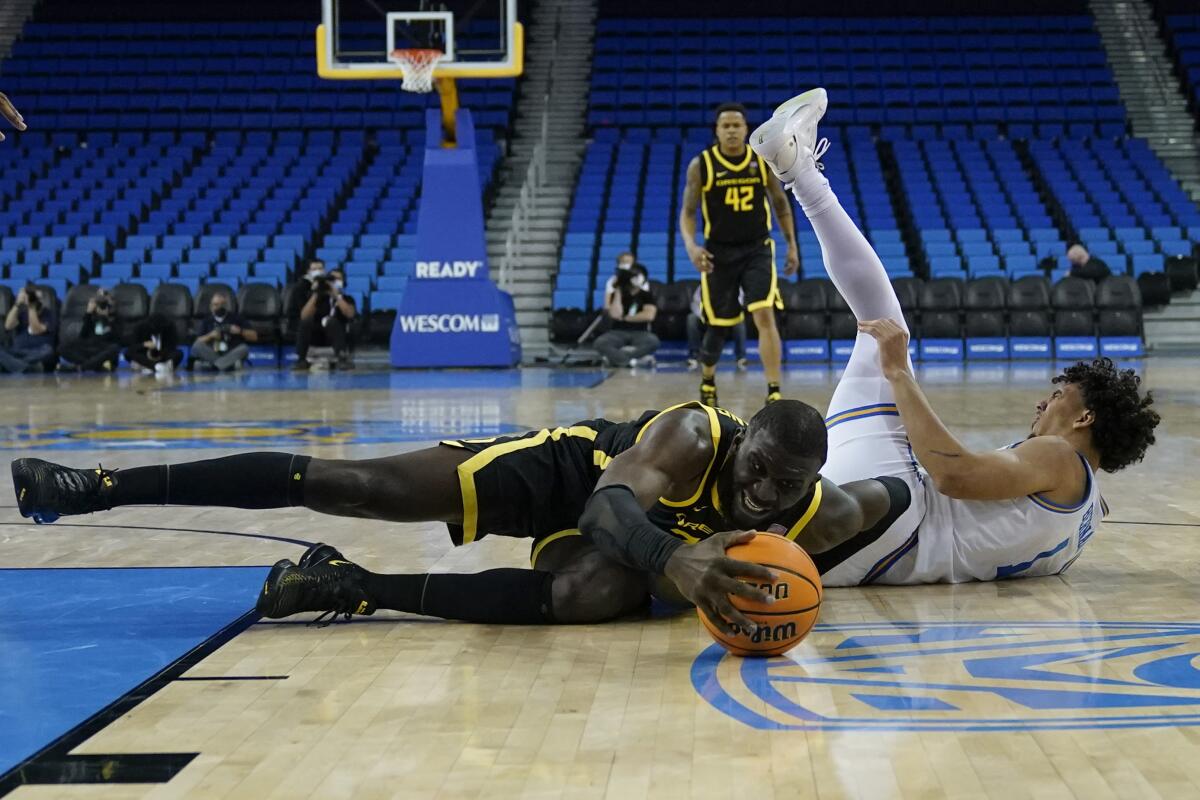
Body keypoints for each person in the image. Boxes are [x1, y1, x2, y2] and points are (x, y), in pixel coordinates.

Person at [12, 399, 908, 633]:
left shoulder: (810, 511)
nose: (765, 493)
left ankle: (351, 586)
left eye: (785, 486)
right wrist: (678, 568)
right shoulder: (691, 433)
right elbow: (604, 508)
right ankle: (96, 486)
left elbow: (894, 497)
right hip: (571, 474)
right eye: (758, 470)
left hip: (601, 538)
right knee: (355, 486)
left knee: (591, 597)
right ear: (743, 437)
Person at [748, 87, 1159, 585]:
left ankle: (799, 172)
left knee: (885, 327)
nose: (1042, 404)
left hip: (899, 515)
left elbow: (953, 475)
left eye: (1058, 396)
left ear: (1085, 417)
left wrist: (901, 376)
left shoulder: (1060, 457)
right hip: (874, 558)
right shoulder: (1087, 516)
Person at [679, 102, 800, 407]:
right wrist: (692, 247)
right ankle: (708, 379)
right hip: (718, 253)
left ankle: (774, 390)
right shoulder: (702, 165)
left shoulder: (760, 161)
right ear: (717, 131)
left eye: (737, 125)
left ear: (746, 129)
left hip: (757, 248)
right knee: (719, 324)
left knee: (763, 312)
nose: (732, 130)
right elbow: (688, 213)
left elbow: (781, 205)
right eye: (726, 126)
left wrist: (792, 245)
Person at [592, 263, 660, 368]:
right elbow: (615, 315)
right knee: (600, 343)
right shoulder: (617, 294)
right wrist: (618, 290)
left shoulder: (646, 295)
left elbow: (649, 316)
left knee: (653, 342)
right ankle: (630, 361)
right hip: (618, 331)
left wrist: (626, 318)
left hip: (640, 332)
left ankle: (617, 359)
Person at [294, 262, 355, 371]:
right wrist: (316, 293)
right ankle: (301, 360)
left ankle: (342, 359)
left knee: (332, 321)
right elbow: (304, 316)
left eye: (337, 280)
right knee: (305, 322)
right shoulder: (319, 299)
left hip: (337, 335)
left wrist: (336, 295)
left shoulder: (347, 298)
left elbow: (350, 314)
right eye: (332, 280)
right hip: (317, 335)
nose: (333, 283)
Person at [191, 290, 257, 371]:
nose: (219, 307)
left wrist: (240, 331)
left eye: (222, 305)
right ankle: (228, 365)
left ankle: (214, 366)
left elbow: (254, 336)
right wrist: (210, 335)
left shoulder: (236, 318)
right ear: (211, 306)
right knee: (196, 346)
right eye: (216, 305)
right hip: (213, 352)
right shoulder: (207, 320)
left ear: (226, 305)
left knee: (244, 348)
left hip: (231, 351)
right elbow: (198, 341)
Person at [686, 285, 747, 371]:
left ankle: (741, 357)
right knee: (691, 318)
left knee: (740, 320)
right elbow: (695, 304)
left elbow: (739, 304)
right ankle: (694, 355)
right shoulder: (704, 284)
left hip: (727, 318)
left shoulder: (735, 284)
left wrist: (723, 315)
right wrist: (705, 316)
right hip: (706, 319)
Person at [58, 289, 121, 372]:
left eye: (104, 297)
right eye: (99, 298)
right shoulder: (91, 315)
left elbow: (113, 337)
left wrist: (104, 318)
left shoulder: (115, 316)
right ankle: (96, 366)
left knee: (114, 348)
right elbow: (82, 336)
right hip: (90, 348)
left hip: (104, 349)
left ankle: (81, 367)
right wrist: (88, 313)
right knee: (62, 348)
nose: (101, 300)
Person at [0, 285, 56, 373]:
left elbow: (35, 330)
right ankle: (27, 367)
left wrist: (31, 307)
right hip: (18, 351)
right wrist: (17, 304)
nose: (38, 301)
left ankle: (14, 365)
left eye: (39, 298)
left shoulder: (49, 314)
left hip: (39, 351)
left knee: (48, 352)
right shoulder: (22, 312)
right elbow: (8, 326)